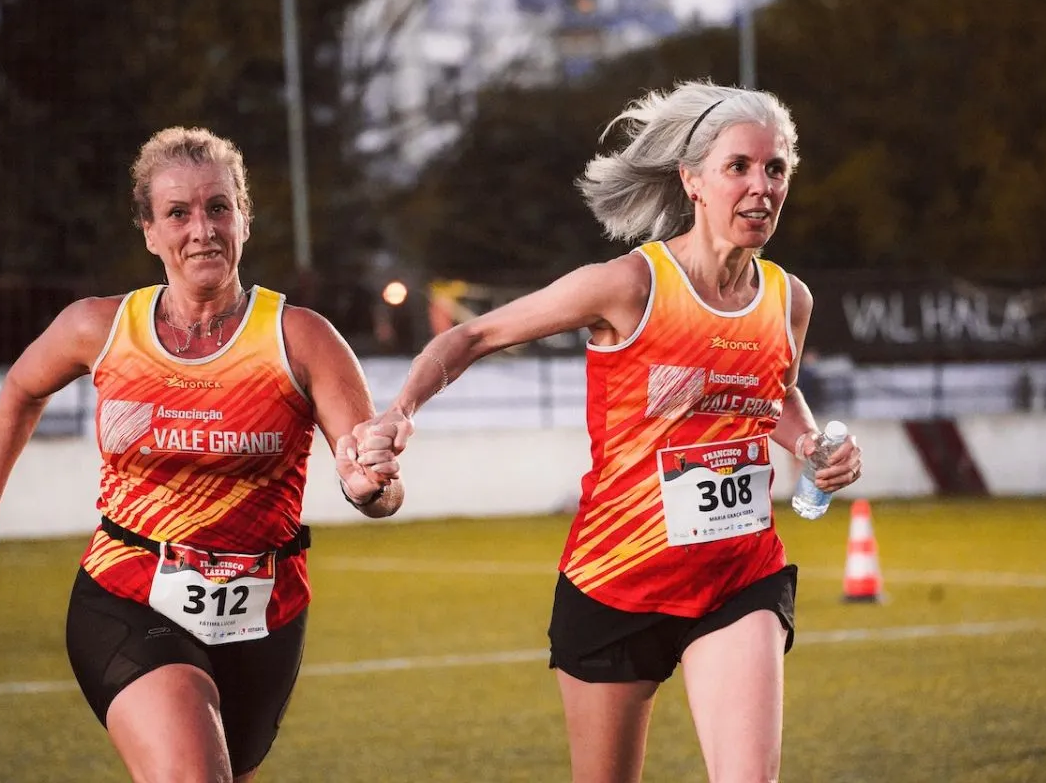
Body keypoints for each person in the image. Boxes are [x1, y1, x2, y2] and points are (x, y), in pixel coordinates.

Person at [354, 80, 863, 783]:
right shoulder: (630, 286)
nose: (761, 186)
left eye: (775, 170)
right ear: (693, 180)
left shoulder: (788, 299)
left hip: (738, 575)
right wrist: (400, 411)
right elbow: (474, 334)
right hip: (616, 581)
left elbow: (769, 392)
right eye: (738, 167)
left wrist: (809, 444)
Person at [0, 126, 403, 782]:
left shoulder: (300, 339)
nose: (202, 229)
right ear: (150, 231)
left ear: (244, 217)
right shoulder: (99, 328)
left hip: (264, 616)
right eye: (178, 213)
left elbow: (372, 476)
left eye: (218, 207)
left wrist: (369, 486)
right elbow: (19, 389)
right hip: (128, 596)